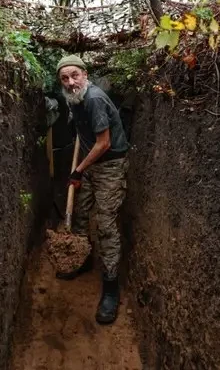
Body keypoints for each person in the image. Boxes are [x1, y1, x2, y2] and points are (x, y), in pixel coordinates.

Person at [55, 54, 129, 325]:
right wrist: (82, 168)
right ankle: (82, 257)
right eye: (64, 78)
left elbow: (104, 143)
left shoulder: (94, 99)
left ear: (85, 75)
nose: (70, 82)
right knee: (81, 215)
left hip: (109, 165)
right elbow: (84, 132)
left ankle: (111, 288)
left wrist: (77, 170)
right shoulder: (74, 98)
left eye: (75, 75)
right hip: (90, 162)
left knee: (106, 224)